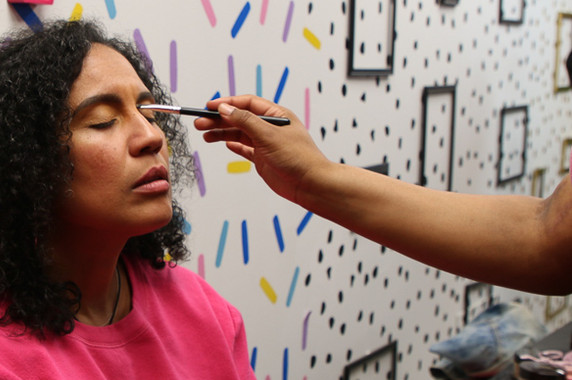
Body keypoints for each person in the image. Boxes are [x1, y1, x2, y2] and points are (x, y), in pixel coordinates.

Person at [0, 20, 257, 379]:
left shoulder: (203, 309)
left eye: (150, 114)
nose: (152, 138)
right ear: (27, 161)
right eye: (102, 121)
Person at [194, 94, 572, 296]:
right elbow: (545, 234)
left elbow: (549, 239)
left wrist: (313, 178)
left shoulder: (209, 315)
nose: (154, 137)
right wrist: (312, 179)